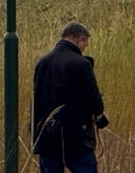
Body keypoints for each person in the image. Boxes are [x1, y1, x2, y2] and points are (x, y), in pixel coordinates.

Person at [32, 22, 110, 173]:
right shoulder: (81, 64)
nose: (84, 48)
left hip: (47, 135)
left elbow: (36, 100)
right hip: (76, 137)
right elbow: (93, 101)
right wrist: (100, 115)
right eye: (85, 43)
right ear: (80, 39)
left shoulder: (42, 62)